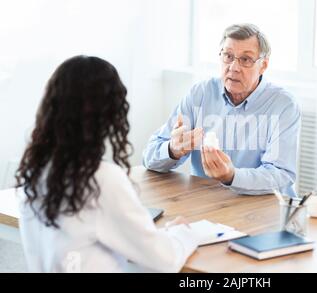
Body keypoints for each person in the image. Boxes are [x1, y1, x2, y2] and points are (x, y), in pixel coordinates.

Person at [15, 55, 201, 273]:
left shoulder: (36, 170)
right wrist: (182, 233)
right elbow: (164, 260)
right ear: (109, 113)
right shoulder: (101, 179)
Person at [143, 23, 301, 196]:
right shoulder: (200, 94)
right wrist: (172, 150)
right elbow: (149, 157)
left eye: (246, 59)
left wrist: (231, 176)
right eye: (228, 56)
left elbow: (281, 174)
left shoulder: (284, 105)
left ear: (263, 65)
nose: (233, 67)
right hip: (209, 205)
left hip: (264, 209)